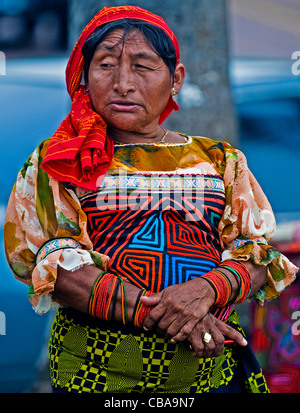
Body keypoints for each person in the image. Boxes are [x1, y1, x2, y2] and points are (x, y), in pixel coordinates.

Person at [4, 6, 298, 393]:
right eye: (106, 65)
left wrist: (204, 291)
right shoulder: (59, 160)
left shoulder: (219, 160)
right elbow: (58, 268)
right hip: (96, 374)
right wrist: (175, 312)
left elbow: (256, 254)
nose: (123, 83)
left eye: (143, 67)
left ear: (175, 79)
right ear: (83, 77)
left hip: (206, 375)